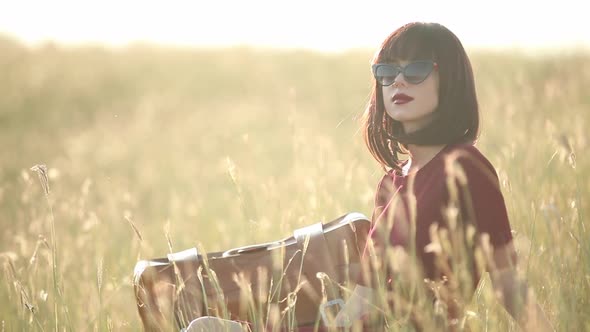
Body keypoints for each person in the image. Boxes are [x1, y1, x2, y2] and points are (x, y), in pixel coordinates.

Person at [331, 22, 554, 331]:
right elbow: (364, 296)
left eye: (415, 70)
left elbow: (508, 285)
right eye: (387, 71)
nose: (398, 81)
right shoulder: (389, 182)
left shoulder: (466, 168)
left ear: (449, 80)